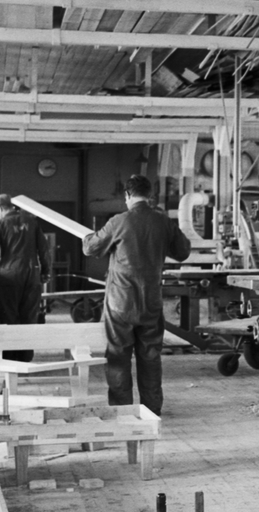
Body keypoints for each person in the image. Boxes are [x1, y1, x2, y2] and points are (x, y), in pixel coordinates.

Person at [82, 175, 191, 415]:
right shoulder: (163, 221)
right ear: (150, 196)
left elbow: (90, 248)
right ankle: (151, 411)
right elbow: (183, 252)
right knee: (150, 357)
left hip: (121, 302)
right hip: (151, 300)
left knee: (118, 356)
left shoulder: (118, 221)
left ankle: (123, 413)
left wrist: (88, 237)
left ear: (127, 196)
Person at [0, 193, 50, 361]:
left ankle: (10, 358)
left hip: (10, 276)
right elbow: (44, 249)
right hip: (32, 275)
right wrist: (45, 272)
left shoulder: (1, 224)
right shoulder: (32, 222)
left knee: (9, 316)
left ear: (0, 208)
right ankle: (25, 357)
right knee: (29, 317)